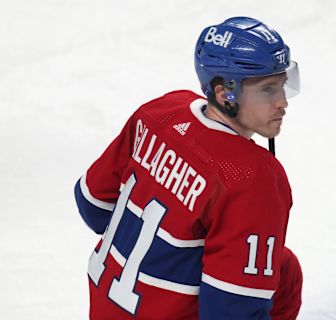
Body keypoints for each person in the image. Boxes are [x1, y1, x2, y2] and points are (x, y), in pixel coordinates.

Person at [74, 16, 302, 319]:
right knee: (280, 272)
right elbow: (231, 311)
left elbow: (92, 204)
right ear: (226, 94)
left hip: (108, 306)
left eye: (283, 85)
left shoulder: (163, 112)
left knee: (282, 266)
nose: (283, 102)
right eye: (268, 90)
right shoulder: (251, 177)